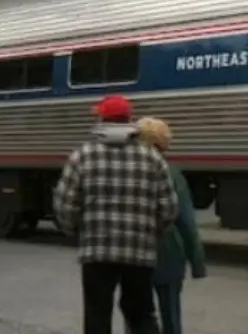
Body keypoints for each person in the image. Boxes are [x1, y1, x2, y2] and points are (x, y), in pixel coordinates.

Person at [54, 95, 179, 334]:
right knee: (141, 313)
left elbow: (65, 204)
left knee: (97, 315)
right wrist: (150, 231)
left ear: (102, 119)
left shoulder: (82, 155)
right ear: (129, 120)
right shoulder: (153, 158)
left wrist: (75, 230)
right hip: (139, 252)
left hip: (96, 252)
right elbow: (169, 208)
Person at [136, 117, 207, 334]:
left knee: (137, 316)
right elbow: (186, 221)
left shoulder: (128, 169)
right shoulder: (172, 172)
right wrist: (197, 262)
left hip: (134, 256)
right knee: (171, 316)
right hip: (167, 255)